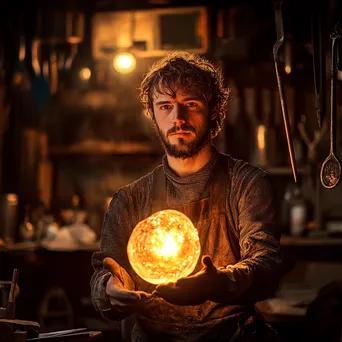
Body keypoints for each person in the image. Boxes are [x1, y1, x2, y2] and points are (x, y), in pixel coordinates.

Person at [90, 51, 283, 342]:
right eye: (165, 106)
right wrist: (109, 290)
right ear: (152, 114)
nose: (177, 118)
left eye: (190, 104)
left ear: (214, 108)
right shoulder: (129, 199)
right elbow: (103, 270)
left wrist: (219, 282)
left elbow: (266, 264)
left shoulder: (247, 184)